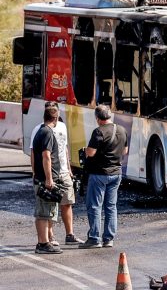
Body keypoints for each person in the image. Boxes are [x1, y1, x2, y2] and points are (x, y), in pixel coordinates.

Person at [30, 102, 84, 248]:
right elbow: (40, 155)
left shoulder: (60, 127)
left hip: (62, 172)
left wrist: (69, 168)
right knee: (47, 208)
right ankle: (46, 240)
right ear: (56, 116)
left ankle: (69, 235)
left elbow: (65, 148)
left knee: (64, 203)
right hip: (49, 174)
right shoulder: (43, 131)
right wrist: (40, 175)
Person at [80, 105, 128, 249]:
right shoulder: (121, 129)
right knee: (111, 206)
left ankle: (94, 239)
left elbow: (91, 152)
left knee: (95, 206)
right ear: (109, 116)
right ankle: (108, 239)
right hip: (116, 174)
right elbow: (125, 151)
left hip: (99, 174)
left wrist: (85, 150)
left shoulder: (98, 132)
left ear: (97, 118)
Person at [30, 103, 63, 254]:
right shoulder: (48, 133)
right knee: (43, 213)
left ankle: (44, 242)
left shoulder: (41, 131)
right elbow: (46, 156)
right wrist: (49, 179)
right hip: (44, 179)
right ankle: (43, 244)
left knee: (43, 212)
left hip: (40, 177)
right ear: (55, 118)